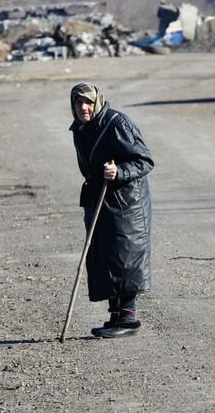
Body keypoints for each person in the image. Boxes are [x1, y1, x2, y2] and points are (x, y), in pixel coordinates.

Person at [69, 83, 154, 338]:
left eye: (88, 102)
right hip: (102, 200)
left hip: (127, 203)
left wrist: (119, 172)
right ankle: (115, 315)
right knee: (106, 255)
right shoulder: (81, 128)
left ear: (97, 102)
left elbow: (144, 160)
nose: (83, 107)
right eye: (78, 103)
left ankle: (128, 319)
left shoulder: (117, 123)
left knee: (124, 255)